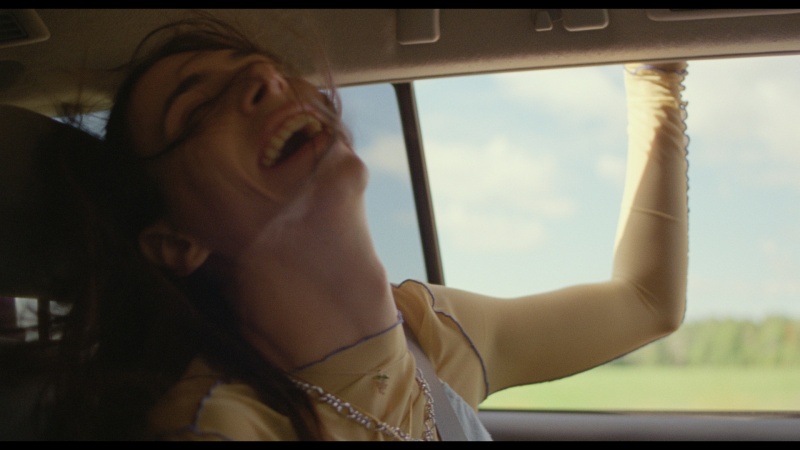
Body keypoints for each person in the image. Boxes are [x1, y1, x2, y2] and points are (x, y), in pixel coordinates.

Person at [43, 15, 689, 441]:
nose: (267, 78)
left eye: (262, 67)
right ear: (176, 243)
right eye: (199, 105)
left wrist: (656, 73)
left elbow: (646, 302)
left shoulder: (431, 337)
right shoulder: (218, 428)